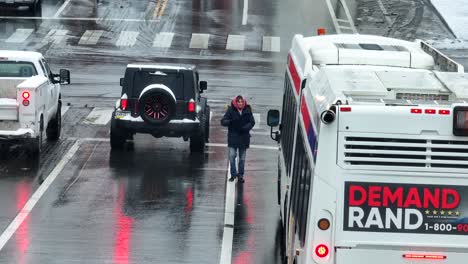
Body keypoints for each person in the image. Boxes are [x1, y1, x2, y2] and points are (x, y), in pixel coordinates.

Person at [221, 95, 255, 183]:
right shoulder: (231, 110)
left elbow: (252, 122)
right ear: (236, 102)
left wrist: (245, 128)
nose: (240, 103)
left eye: (241, 101)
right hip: (233, 138)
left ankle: (240, 175)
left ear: (243, 102)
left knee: (242, 158)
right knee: (232, 156)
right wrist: (231, 122)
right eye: (238, 101)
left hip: (243, 138)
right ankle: (233, 174)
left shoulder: (247, 110)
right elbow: (223, 121)